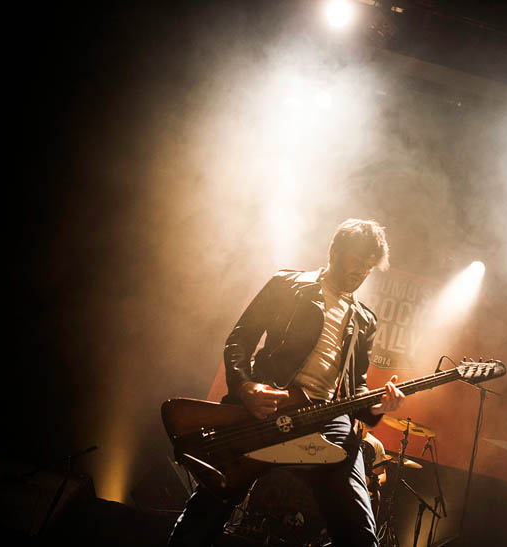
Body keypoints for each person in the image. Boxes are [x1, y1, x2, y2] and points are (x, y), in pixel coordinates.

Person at [168, 218, 404, 547]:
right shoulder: (287, 284)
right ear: (334, 250)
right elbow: (239, 340)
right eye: (356, 261)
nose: (361, 273)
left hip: (325, 416)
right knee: (212, 503)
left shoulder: (365, 319)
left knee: (357, 526)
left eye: (368, 267)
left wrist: (377, 405)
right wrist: (245, 387)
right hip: (269, 403)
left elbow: (357, 386)